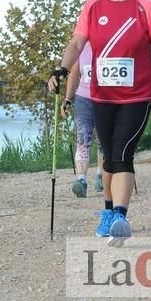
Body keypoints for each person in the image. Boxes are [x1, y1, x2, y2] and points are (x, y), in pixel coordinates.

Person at [47, 0, 151, 246]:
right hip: (102, 96)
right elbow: (76, 43)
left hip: (137, 95)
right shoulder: (92, 7)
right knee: (108, 157)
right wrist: (61, 69)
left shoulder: (146, 7)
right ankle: (108, 212)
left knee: (123, 154)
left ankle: (121, 215)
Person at [61, 41, 103, 197]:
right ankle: (81, 180)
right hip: (84, 98)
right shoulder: (82, 46)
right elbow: (74, 73)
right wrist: (68, 99)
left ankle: (101, 175)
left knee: (103, 140)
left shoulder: (108, 42)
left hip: (106, 99)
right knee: (83, 138)